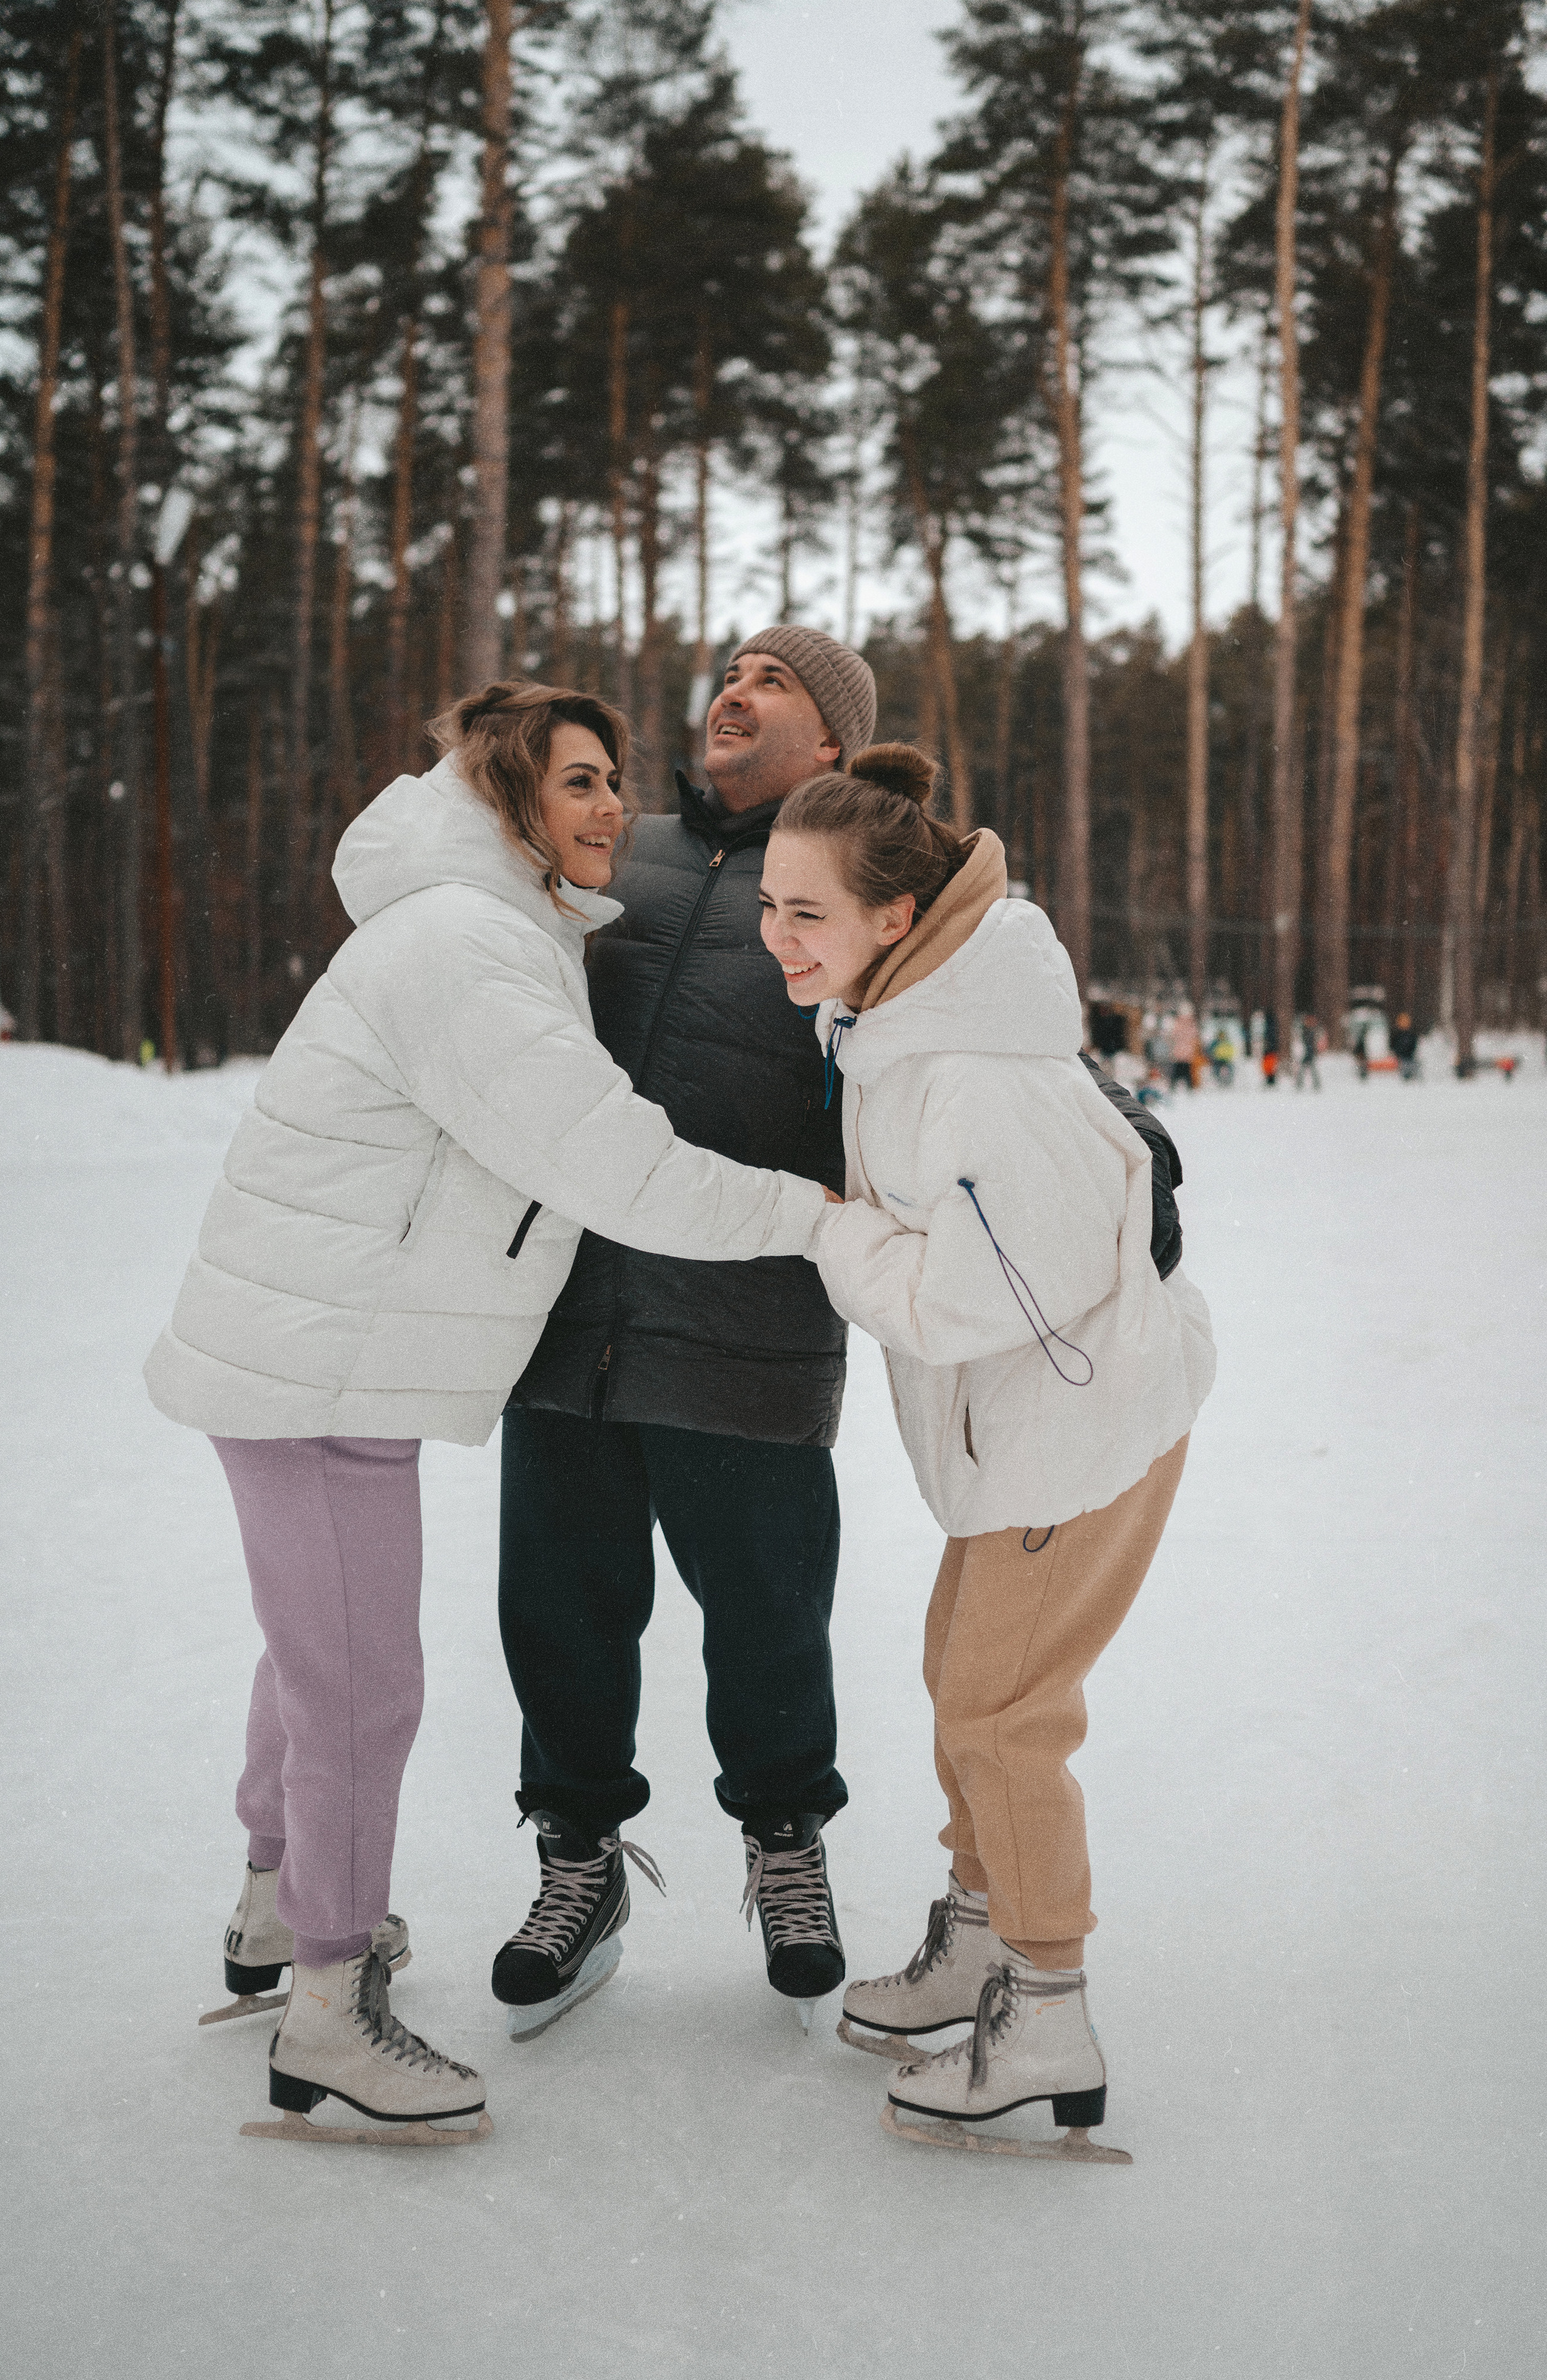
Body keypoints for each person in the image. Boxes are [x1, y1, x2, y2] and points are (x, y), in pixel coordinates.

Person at [143, 682, 835, 2138]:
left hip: (331, 1348)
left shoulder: (491, 922)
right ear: (504, 794)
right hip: (324, 1357)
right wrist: (817, 1217)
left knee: (314, 1655)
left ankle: (274, 1907)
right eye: (578, 781)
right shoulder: (472, 945)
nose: (611, 807)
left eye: (613, 779)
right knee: (360, 1688)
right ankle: (330, 2006)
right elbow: (612, 1164)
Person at [757, 744, 1215, 2153]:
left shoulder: (969, 1071)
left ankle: (1047, 2008)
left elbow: (966, 1299)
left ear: (894, 917)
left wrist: (830, 1229)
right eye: (769, 904)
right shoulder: (898, 1027)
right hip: (1019, 1426)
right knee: (959, 1671)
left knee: (1001, 1711)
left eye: (806, 911)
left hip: (1074, 1426)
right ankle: (976, 1936)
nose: (775, 936)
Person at [495, 628, 872, 2030]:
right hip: (565, 1311)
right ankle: (577, 1863)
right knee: (556, 1610)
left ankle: (786, 1845)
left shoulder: (865, 868)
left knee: (770, 1615)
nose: (736, 689)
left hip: (748, 1314)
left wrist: (1123, 1128)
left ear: (829, 741)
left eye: (776, 680)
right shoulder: (614, 845)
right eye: (733, 670)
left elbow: (979, 1016)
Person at [1168, 1003, 1198, 1092]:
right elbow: (1194, 1037)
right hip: (1187, 1052)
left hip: (1179, 1052)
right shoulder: (1191, 1023)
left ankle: (1174, 1087)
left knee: (1178, 1071)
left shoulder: (1178, 1022)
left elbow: (1173, 1036)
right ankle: (1190, 1088)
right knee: (1187, 1071)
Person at [1297, 1013, 1323, 1091]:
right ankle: (1301, 1084)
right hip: (1307, 1052)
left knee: (1310, 1069)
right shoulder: (1305, 1030)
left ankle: (1315, 1084)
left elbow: (1314, 1042)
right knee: (1307, 1069)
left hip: (1310, 1052)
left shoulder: (1312, 1030)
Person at [1392, 1012, 1419, 1079]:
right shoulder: (1397, 1035)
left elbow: (1414, 1045)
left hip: (1410, 1057)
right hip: (1401, 1058)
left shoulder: (1411, 1035)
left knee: (1412, 1069)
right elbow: (1393, 1045)